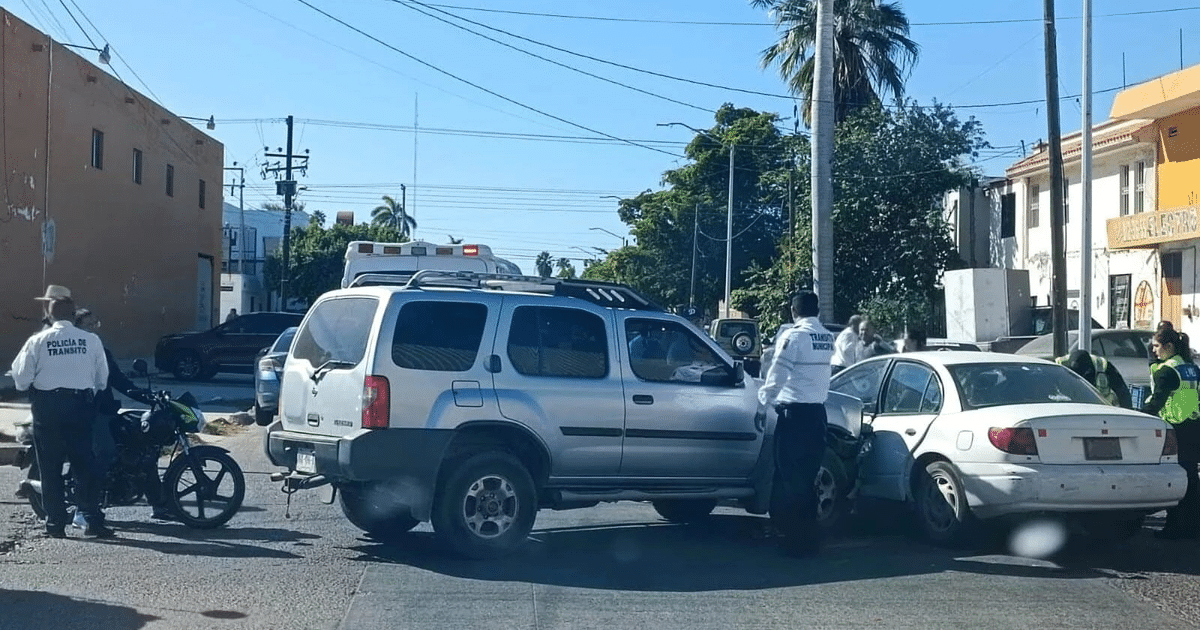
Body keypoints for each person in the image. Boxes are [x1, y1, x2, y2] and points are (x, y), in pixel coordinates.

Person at [9, 295, 113, 538]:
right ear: (73, 314)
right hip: (80, 406)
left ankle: (55, 524)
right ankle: (91, 519)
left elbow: (21, 380)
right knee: (85, 464)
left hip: (48, 408)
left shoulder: (38, 341)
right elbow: (102, 379)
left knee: (50, 467)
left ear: (52, 315)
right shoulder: (91, 340)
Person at [74, 309, 172, 521]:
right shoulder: (76, 354)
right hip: (91, 415)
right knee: (106, 452)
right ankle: (88, 507)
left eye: (94, 324)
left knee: (143, 445)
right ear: (76, 328)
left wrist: (149, 397)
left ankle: (160, 505)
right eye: (87, 325)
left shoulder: (102, 352)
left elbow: (120, 382)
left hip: (108, 412)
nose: (93, 329)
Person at [758, 292, 835, 557]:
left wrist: (763, 400)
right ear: (818, 311)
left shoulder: (794, 337)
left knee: (789, 476)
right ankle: (807, 536)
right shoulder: (827, 337)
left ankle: (792, 538)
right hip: (817, 415)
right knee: (807, 476)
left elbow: (777, 373)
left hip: (794, 416)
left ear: (793, 311)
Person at [1142, 326, 1200, 540]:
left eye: (1156, 346)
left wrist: (1139, 416)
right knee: (1191, 479)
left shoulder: (1167, 371)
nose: (1154, 351)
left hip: (1175, 429)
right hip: (1194, 425)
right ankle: (1192, 527)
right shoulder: (1190, 367)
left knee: (1175, 481)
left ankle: (1175, 528)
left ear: (1169, 347)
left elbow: (1156, 402)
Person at [1055, 349, 1132, 409]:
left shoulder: (1104, 366)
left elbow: (1122, 392)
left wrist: (1128, 414)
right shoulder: (1058, 366)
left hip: (1100, 410)